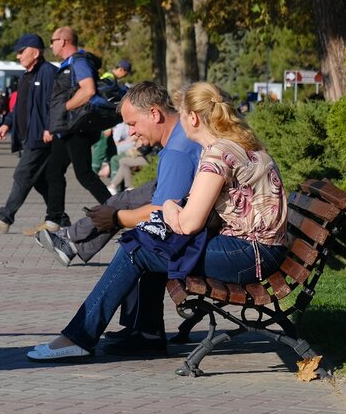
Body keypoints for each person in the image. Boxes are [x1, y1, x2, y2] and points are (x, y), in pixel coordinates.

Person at [28, 81, 289, 361]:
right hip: (260, 250)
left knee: (138, 250)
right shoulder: (237, 143)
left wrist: (166, 206)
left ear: (192, 118)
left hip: (250, 254)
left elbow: (188, 224)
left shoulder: (217, 155)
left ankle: (79, 336)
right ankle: (145, 334)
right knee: (148, 244)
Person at [35, 81, 200, 276]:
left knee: (129, 244)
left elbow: (160, 213)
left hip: (190, 226)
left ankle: (70, 241)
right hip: (187, 200)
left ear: (155, 114)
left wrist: (116, 218)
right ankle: (71, 243)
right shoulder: (180, 134)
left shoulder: (176, 152)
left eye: (132, 124)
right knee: (122, 200)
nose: (131, 132)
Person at [0, 33, 58, 233]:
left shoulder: (47, 72)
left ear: (36, 52)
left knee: (22, 174)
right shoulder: (25, 77)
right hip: (25, 137)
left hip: (41, 136)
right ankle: (58, 218)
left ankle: (5, 217)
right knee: (38, 179)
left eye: (22, 52)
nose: (18, 56)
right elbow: (19, 107)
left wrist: (51, 127)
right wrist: (7, 123)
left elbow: (55, 104)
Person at [44, 27, 113, 226]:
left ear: (64, 41)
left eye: (53, 40)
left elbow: (89, 89)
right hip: (66, 128)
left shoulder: (79, 61)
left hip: (78, 128)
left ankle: (116, 213)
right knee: (54, 170)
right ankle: (54, 218)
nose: (51, 45)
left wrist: (66, 106)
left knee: (84, 175)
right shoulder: (68, 64)